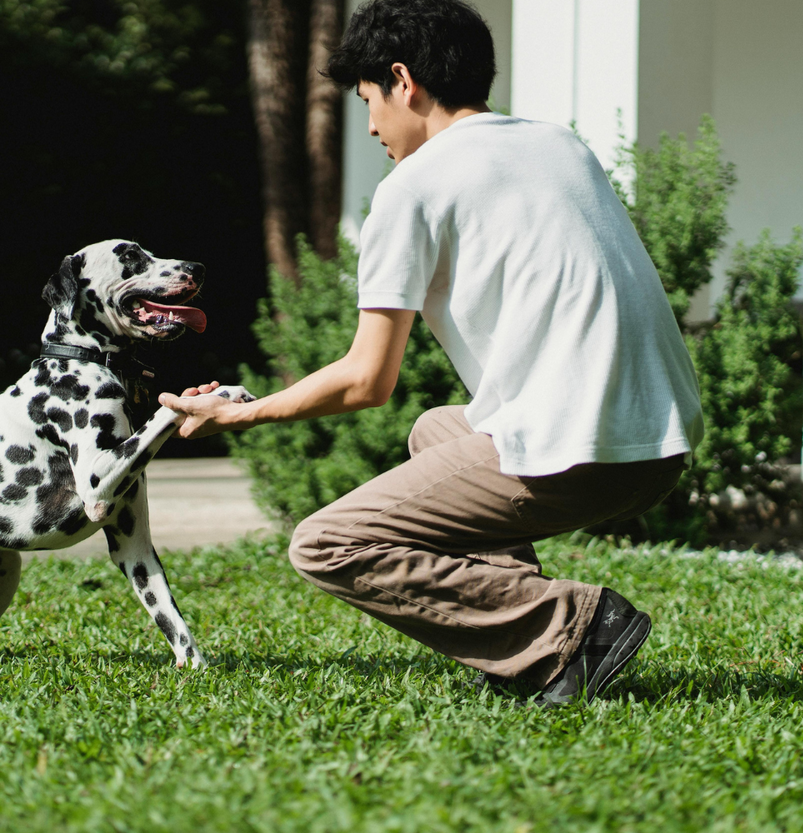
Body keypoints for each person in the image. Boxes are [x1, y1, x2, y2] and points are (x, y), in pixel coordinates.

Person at [160, 0, 703, 707]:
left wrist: (247, 413)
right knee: (436, 430)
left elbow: (366, 380)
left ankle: (571, 627)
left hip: (586, 457)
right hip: (659, 445)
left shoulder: (411, 189)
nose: (372, 126)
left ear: (402, 80)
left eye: (367, 102)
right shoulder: (557, 143)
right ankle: (540, 652)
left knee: (325, 544)